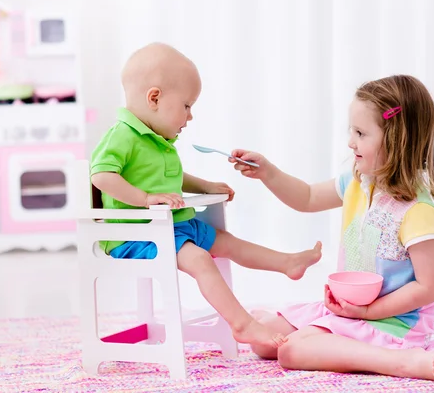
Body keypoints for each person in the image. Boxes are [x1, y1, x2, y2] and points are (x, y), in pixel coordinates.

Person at [90, 42, 322, 349]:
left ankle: (287, 262)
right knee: (201, 259)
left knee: (226, 242)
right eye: (187, 106)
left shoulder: (157, 141)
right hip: (137, 236)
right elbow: (101, 176)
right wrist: (146, 198)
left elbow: (173, 179)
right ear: (155, 98)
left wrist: (206, 187)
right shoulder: (122, 134)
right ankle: (242, 324)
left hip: (171, 227)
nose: (190, 116)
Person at [230, 75, 434, 382]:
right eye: (352, 131)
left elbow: (430, 287)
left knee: (290, 352)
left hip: (391, 323)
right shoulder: (357, 183)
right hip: (351, 312)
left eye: (361, 133)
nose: (351, 142)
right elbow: (307, 197)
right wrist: (267, 172)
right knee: (263, 341)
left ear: (396, 139)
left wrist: (367, 314)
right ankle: (326, 338)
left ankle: (399, 361)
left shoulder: (417, 211)